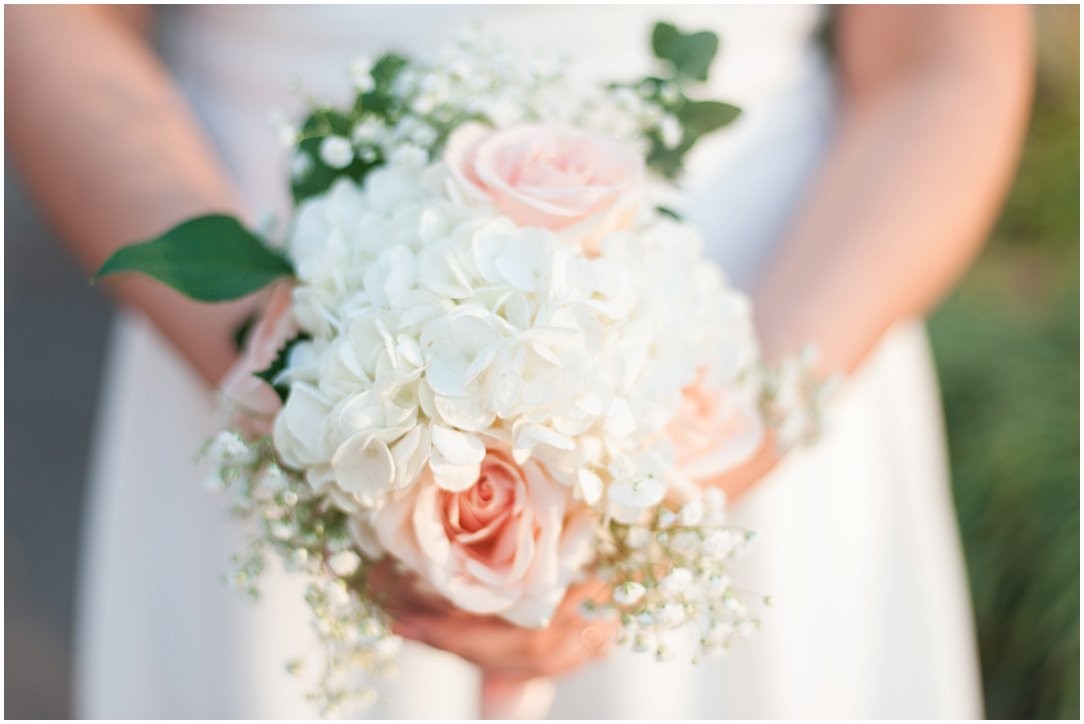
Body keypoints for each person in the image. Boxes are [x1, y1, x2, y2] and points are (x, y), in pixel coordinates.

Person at [6, 5, 1032, 718]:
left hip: (771, 335)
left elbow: (941, 61)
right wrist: (301, 392)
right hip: (282, 354)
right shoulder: (292, 377)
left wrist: (698, 459)